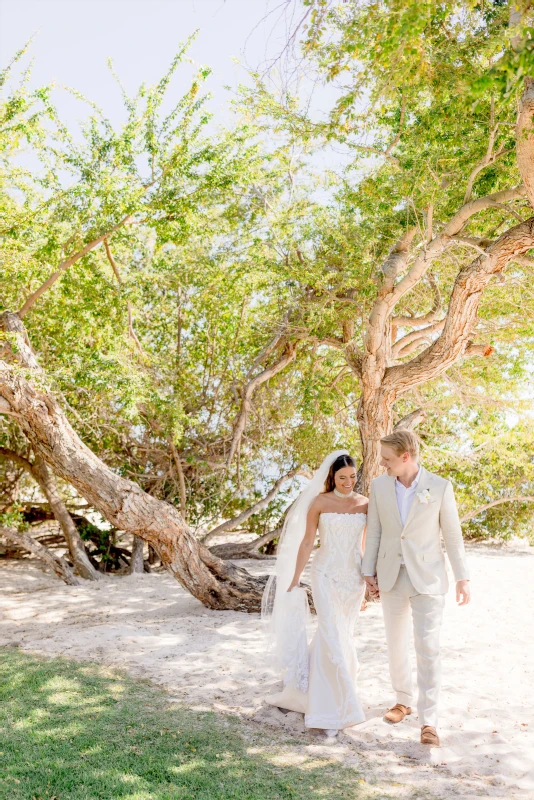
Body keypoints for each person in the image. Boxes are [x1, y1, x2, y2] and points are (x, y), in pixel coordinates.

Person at [362, 430, 470, 747]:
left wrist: (463, 577)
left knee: (428, 648)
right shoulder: (380, 486)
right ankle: (402, 700)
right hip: (390, 575)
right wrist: (368, 571)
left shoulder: (439, 487)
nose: (382, 464)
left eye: (387, 459)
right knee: (395, 643)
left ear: (405, 457)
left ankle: (429, 721)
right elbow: (376, 530)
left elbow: (452, 535)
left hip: (429, 578)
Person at [262, 451, 367, 738]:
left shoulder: (365, 505)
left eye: (352, 477)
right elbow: (308, 541)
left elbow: (366, 547)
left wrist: (369, 580)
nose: (348, 482)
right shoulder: (320, 502)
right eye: (342, 478)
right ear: (332, 477)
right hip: (324, 575)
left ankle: (324, 689)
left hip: (353, 580)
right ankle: (332, 706)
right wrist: (295, 578)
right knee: (329, 630)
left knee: (342, 633)